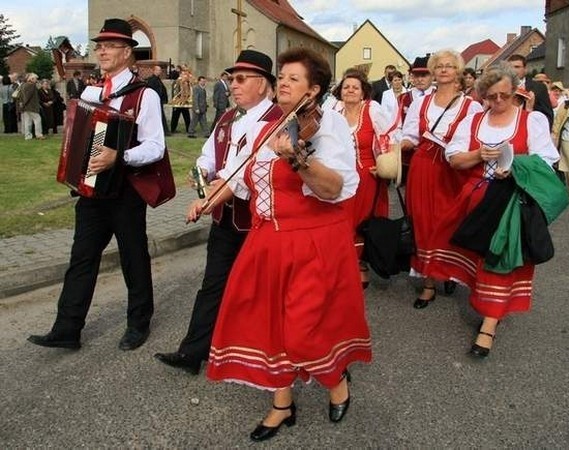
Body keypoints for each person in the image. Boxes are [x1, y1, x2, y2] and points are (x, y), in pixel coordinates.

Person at [191, 47, 371, 442]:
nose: (284, 83)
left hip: (312, 244)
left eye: (293, 78)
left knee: (303, 331)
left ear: (314, 90)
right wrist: (206, 200)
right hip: (265, 241)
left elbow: (336, 188)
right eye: (282, 76)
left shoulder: (328, 127)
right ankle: (281, 404)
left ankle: (337, 379)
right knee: (270, 329)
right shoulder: (261, 128)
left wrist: (297, 161)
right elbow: (237, 181)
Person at [27, 18, 165, 351]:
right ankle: (67, 328)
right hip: (91, 191)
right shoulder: (90, 91)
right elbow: (79, 135)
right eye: (99, 45)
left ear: (127, 52)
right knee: (82, 258)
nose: (101, 51)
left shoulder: (143, 95)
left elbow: (156, 146)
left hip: (126, 192)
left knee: (133, 257)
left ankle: (138, 323)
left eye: (110, 45)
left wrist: (120, 156)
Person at [154, 50, 282, 375]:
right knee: (213, 285)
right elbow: (206, 159)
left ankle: (285, 359)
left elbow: (245, 175)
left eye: (241, 79)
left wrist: (207, 199)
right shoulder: (227, 118)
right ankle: (193, 352)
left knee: (268, 294)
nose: (233, 85)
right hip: (225, 221)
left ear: (265, 85)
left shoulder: (278, 121)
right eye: (232, 78)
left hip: (261, 223)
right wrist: (201, 187)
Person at [427, 63, 560, 358]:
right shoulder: (473, 121)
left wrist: (515, 167)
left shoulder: (531, 120)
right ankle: (478, 297)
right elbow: (454, 158)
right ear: (483, 95)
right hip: (475, 198)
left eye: (505, 95)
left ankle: (489, 322)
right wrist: (478, 154)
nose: (498, 101)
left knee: (498, 260)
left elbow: (547, 161)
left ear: (515, 91)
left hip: (511, 202)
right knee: (467, 252)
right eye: (491, 96)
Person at [400, 50, 483, 308]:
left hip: (456, 169)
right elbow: (410, 135)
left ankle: (449, 269)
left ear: (457, 71)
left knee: (451, 222)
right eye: (440, 66)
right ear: (433, 72)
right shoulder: (421, 103)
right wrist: (395, 147)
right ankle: (428, 283)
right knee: (425, 223)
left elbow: (477, 136)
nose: (444, 70)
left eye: (449, 66)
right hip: (424, 166)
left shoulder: (472, 105)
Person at [333, 68, 392, 288]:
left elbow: (389, 136)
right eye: (346, 87)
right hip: (339, 177)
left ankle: (361, 266)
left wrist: (385, 163)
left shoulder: (372, 110)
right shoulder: (333, 111)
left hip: (367, 175)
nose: (349, 90)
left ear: (363, 92)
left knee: (362, 222)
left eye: (354, 87)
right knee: (341, 222)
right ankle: (344, 265)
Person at [397, 56, 435, 184]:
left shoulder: (439, 96)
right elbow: (396, 125)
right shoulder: (403, 98)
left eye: (424, 75)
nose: (419, 79)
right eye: (416, 75)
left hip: (433, 157)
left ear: (432, 76)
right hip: (408, 156)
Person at [507, 54, 553, 128]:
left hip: (530, 129)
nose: (513, 70)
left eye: (517, 67)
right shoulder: (502, 87)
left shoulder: (539, 88)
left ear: (525, 69)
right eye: (510, 67)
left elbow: (547, 115)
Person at [18, 73, 45, 140]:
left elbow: (21, 95)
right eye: (36, 79)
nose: (36, 80)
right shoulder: (32, 85)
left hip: (26, 106)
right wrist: (24, 104)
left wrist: (22, 104)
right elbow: (28, 97)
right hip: (32, 106)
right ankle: (38, 134)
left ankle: (28, 136)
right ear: (31, 79)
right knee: (37, 119)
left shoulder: (23, 85)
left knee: (28, 122)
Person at [145, 65, 170, 135]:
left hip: (158, 100)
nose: (160, 72)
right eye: (158, 70)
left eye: (160, 70)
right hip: (154, 101)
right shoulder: (152, 80)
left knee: (160, 115)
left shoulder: (157, 79)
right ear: (154, 71)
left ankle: (164, 131)